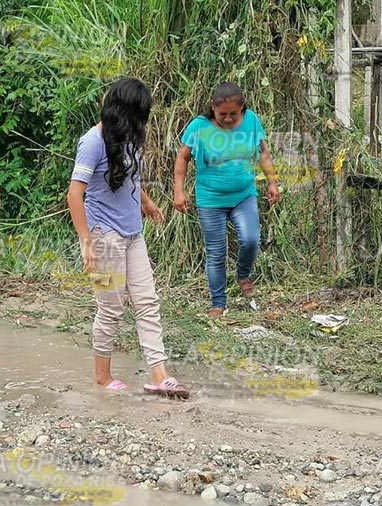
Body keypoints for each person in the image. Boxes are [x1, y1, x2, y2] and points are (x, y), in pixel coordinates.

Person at [67, 77, 190, 399]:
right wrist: (86, 242)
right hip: (103, 236)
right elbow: (74, 194)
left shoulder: (129, 137)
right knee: (111, 308)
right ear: (125, 111)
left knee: (148, 302)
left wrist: (146, 202)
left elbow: (129, 178)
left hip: (132, 232)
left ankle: (159, 375)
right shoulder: (92, 142)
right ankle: (102, 378)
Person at [173, 82, 280, 317]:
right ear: (213, 108)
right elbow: (183, 158)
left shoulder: (251, 120)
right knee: (216, 253)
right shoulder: (199, 127)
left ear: (242, 109)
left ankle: (242, 275)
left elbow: (263, 152)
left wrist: (272, 182)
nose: (229, 119)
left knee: (251, 239)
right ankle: (218, 303)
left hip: (244, 195)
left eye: (234, 114)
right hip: (210, 199)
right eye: (223, 114)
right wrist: (178, 191)